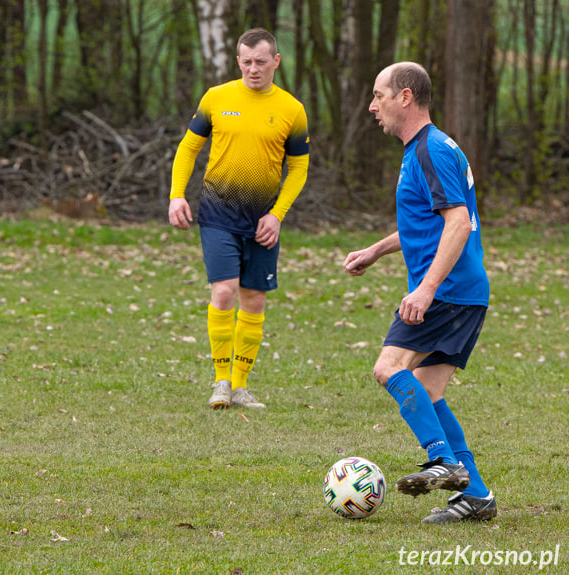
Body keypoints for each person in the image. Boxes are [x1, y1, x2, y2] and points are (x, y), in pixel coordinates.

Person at [343, 62, 495, 523]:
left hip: (447, 291)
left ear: (405, 97)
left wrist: (426, 289)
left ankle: (443, 461)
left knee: (388, 368)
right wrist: (378, 249)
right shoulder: (425, 149)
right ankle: (477, 497)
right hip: (462, 291)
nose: (373, 106)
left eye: (379, 95)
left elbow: (459, 223)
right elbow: (428, 221)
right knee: (427, 392)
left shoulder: (430, 150)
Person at [169, 28, 309, 409]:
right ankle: (220, 381)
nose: (253, 69)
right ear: (238, 62)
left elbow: (298, 169)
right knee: (225, 291)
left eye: (261, 61)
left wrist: (277, 215)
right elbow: (188, 148)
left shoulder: (292, 110)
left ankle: (241, 386)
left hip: (263, 220)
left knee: (254, 299)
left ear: (276, 61)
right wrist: (177, 194)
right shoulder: (217, 98)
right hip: (217, 212)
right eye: (246, 62)